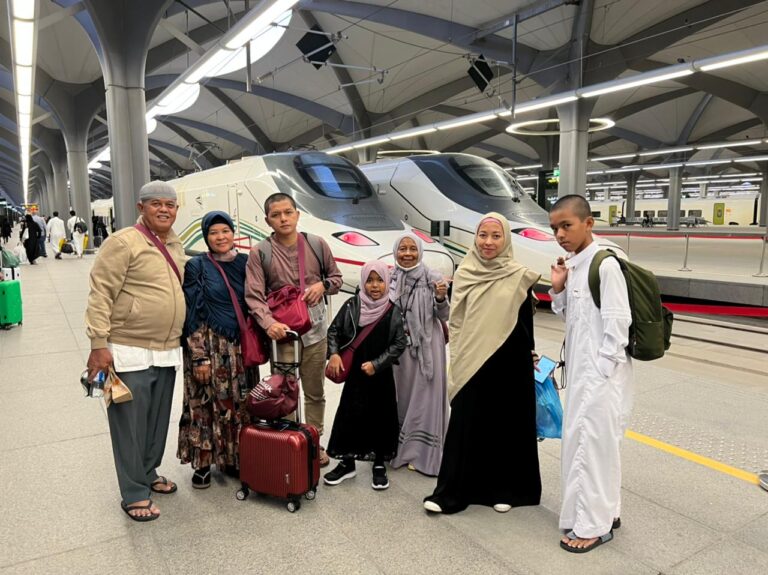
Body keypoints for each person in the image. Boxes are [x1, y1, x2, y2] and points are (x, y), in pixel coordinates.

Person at [423, 213, 541, 515]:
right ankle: (451, 493)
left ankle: (503, 489)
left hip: (509, 361)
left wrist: (530, 352)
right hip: (472, 358)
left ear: (506, 240)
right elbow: (457, 320)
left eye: (496, 236)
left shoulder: (518, 275)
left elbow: (524, 322)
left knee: (504, 425)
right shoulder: (465, 273)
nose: (488, 242)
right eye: (483, 235)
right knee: (465, 422)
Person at [85, 181, 186, 522]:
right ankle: (133, 492)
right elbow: (100, 293)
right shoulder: (123, 241)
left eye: (169, 205)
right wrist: (98, 345)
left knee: (156, 421)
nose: (164, 210)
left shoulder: (175, 244)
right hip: (128, 348)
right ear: (141, 207)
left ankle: (148, 471)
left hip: (166, 349)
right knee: (129, 424)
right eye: (156, 203)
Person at [549, 194, 633, 553]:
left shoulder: (605, 264)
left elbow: (618, 325)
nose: (560, 234)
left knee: (590, 449)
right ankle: (607, 513)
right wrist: (559, 288)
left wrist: (600, 373)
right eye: (555, 228)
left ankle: (592, 527)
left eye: (566, 226)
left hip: (599, 380)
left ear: (588, 223)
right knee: (594, 448)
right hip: (586, 377)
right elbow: (574, 320)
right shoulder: (576, 266)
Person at [245, 193, 342, 467]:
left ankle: (313, 441)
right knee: (283, 392)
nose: (283, 219)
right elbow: (253, 296)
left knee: (314, 391)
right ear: (267, 220)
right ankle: (289, 441)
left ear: (297, 214)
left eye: (288, 212)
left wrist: (323, 285)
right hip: (283, 336)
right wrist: (269, 324)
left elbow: (336, 278)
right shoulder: (260, 253)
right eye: (276, 215)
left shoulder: (316, 244)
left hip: (315, 332)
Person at [177, 211, 258, 488]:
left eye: (225, 231)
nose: (220, 237)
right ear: (205, 236)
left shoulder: (246, 263)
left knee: (239, 404)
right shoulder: (197, 266)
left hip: (240, 347)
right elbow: (192, 311)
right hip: (209, 346)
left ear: (233, 233)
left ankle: (233, 458)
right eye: (213, 232)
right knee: (205, 404)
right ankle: (203, 463)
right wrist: (199, 356)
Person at [323, 261, 408, 490]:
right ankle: (347, 462)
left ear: (387, 282)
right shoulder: (352, 305)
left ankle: (379, 462)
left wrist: (377, 364)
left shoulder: (392, 310)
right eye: (369, 280)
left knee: (381, 416)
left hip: (380, 375)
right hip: (355, 374)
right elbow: (334, 331)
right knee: (350, 414)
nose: (375, 285)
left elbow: (400, 343)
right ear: (363, 282)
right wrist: (334, 354)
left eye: (380, 280)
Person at [388, 232, 450, 477]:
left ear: (420, 252)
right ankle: (399, 447)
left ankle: (422, 454)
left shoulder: (432, 278)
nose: (407, 254)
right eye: (402, 249)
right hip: (399, 347)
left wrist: (440, 297)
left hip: (427, 346)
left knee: (425, 396)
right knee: (401, 395)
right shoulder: (390, 278)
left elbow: (444, 315)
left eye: (412, 249)